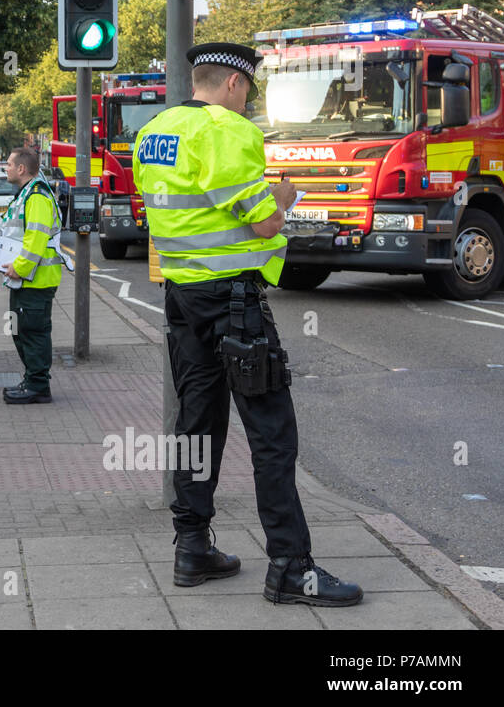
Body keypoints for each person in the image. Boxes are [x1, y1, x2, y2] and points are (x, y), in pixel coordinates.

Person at [133, 41, 363, 607]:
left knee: (196, 423)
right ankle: (290, 566)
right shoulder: (228, 131)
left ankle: (192, 547)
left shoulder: (154, 130)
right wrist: (282, 197)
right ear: (234, 85)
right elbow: (262, 224)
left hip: (182, 298)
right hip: (233, 301)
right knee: (271, 432)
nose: (246, 101)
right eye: (248, 92)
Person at [0, 147, 66, 403]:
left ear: (21, 169)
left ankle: (38, 386)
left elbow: (36, 237)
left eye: (8, 164)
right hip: (24, 281)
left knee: (33, 333)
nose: (5, 168)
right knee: (19, 330)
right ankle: (31, 380)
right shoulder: (27, 193)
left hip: (34, 280)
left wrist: (21, 268)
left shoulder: (37, 196)